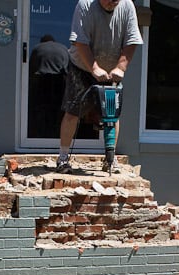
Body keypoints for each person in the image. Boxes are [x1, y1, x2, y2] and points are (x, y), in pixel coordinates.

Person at [56, 0, 143, 174]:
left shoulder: (127, 6)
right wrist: (94, 69)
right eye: (109, 0)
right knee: (73, 111)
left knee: (112, 114)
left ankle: (110, 160)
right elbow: (80, 42)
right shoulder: (85, 5)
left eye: (116, 0)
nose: (113, 3)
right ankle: (63, 158)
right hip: (81, 66)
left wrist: (121, 67)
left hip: (112, 70)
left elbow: (132, 40)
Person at [28, 34, 70, 138]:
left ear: (42, 41)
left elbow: (31, 68)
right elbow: (69, 68)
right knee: (58, 110)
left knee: (41, 109)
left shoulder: (37, 48)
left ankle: (41, 134)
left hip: (42, 81)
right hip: (60, 82)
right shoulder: (64, 48)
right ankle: (57, 135)